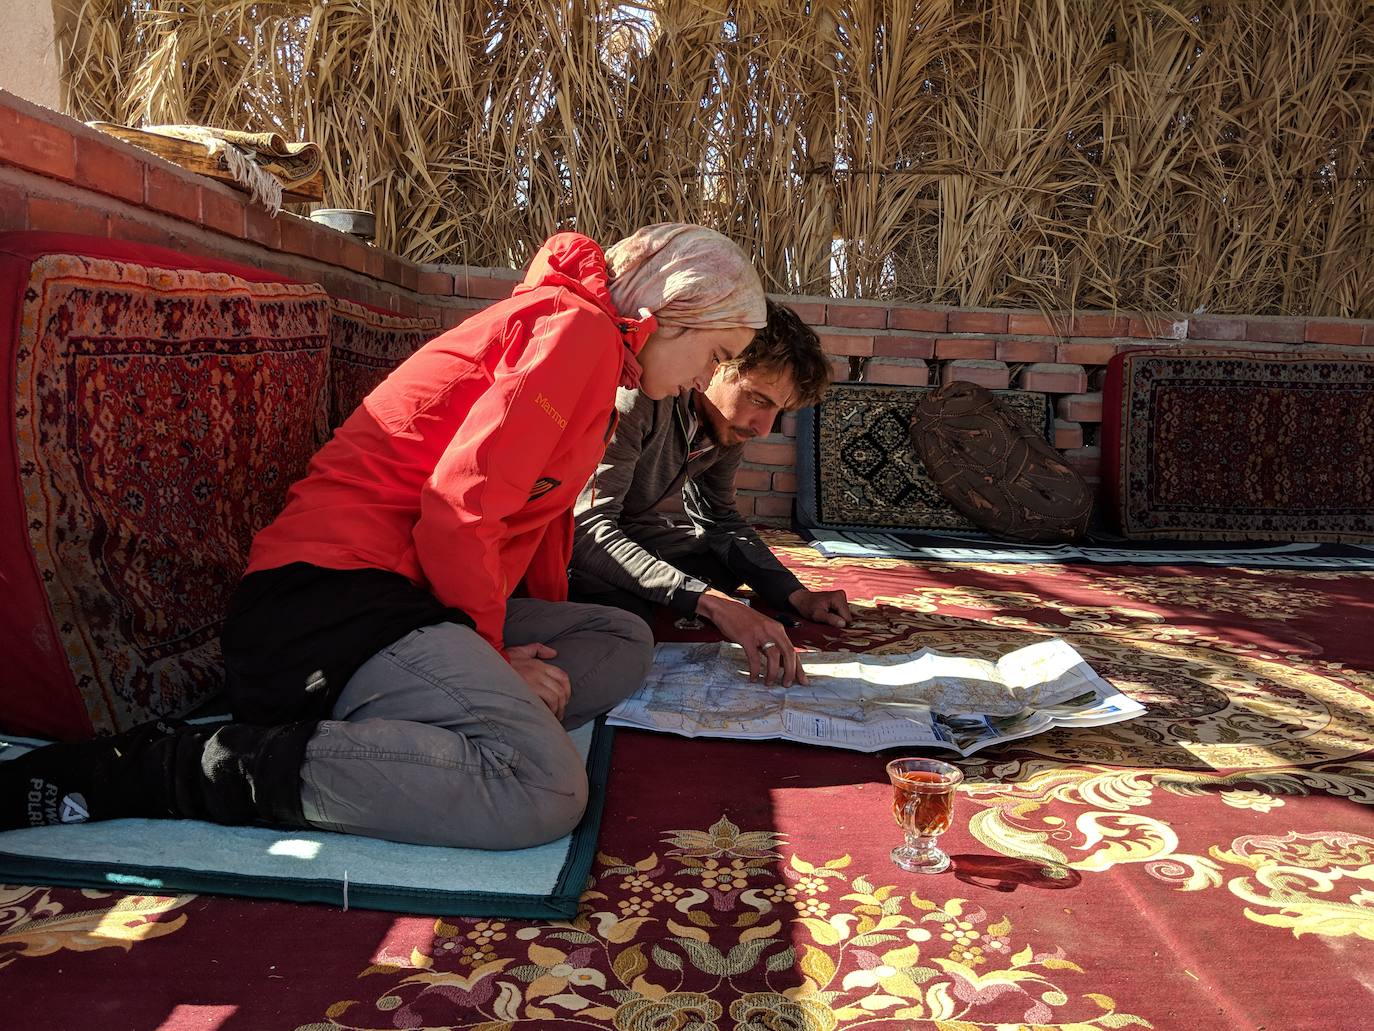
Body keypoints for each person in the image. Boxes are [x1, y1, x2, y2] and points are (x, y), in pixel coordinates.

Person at [2, 224, 767, 848]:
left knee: (620, 639)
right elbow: (460, 504)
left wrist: (501, 647)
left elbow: (531, 529)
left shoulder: (594, 350)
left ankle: (395, 730)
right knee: (547, 789)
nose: (710, 376)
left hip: (410, 598)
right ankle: (189, 765)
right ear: (672, 315)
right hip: (327, 606)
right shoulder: (581, 334)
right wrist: (494, 653)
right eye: (718, 355)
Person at [569, 300, 850, 687]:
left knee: (723, 561)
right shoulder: (638, 396)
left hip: (634, 532)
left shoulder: (723, 425)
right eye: (758, 399)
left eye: (778, 410)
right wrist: (712, 603)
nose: (764, 428)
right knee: (625, 620)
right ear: (716, 364)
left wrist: (795, 595)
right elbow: (584, 528)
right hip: (567, 546)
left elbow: (718, 518)